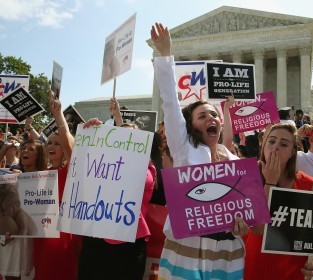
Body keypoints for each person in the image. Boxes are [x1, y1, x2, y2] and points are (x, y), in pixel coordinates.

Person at [151, 22, 248, 279]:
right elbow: (171, 104)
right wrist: (165, 56)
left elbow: (244, 212)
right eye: (202, 115)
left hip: (227, 251)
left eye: (214, 114)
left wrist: (242, 225)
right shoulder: (184, 150)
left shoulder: (234, 161)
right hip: (188, 248)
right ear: (190, 125)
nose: (210, 118)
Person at [77, 105, 156, 280]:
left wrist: (117, 127)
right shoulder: (101, 163)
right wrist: (90, 136)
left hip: (129, 243)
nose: (126, 140)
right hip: (96, 238)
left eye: (132, 138)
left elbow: (129, 175)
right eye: (121, 137)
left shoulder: (147, 169)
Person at [244, 123, 313, 280]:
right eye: (271, 142)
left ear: (292, 152)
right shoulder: (247, 177)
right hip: (257, 264)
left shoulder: (308, 184)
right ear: (263, 146)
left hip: (293, 267)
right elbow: (259, 229)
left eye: (284, 144)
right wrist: (270, 182)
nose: (275, 147)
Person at [32, 90, 81, 280]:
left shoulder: (70, 171)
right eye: (49, 143)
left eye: (57, 144)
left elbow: (70, 147)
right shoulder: (40, 174)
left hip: (62, 238)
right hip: (40, 237)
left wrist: (58, 115)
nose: (51, 146)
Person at [0, 139, 47, 280]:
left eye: (31, 149)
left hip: (31, 237)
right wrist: (4, 149)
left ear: (39, 155)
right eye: (24, 148)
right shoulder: (11, 174)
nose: (25, 151)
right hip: (10, 235)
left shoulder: (47, 177)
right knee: (10, 275)